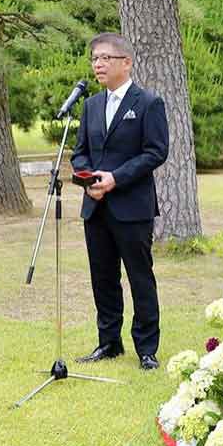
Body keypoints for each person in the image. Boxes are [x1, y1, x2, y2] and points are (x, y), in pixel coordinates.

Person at [71, 32, 169, 371]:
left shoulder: (148, 103)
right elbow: (80, 152)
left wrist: (116, 178)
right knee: (103, 277)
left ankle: (146, 348)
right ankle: (109, 343)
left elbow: (156, 152)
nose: (98, 64)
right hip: (95, 206)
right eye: (94, 59)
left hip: (132, 206)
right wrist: (87, 180)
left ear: (125, 63)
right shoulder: (91, 105)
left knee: (140, 276)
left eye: (105, 58)